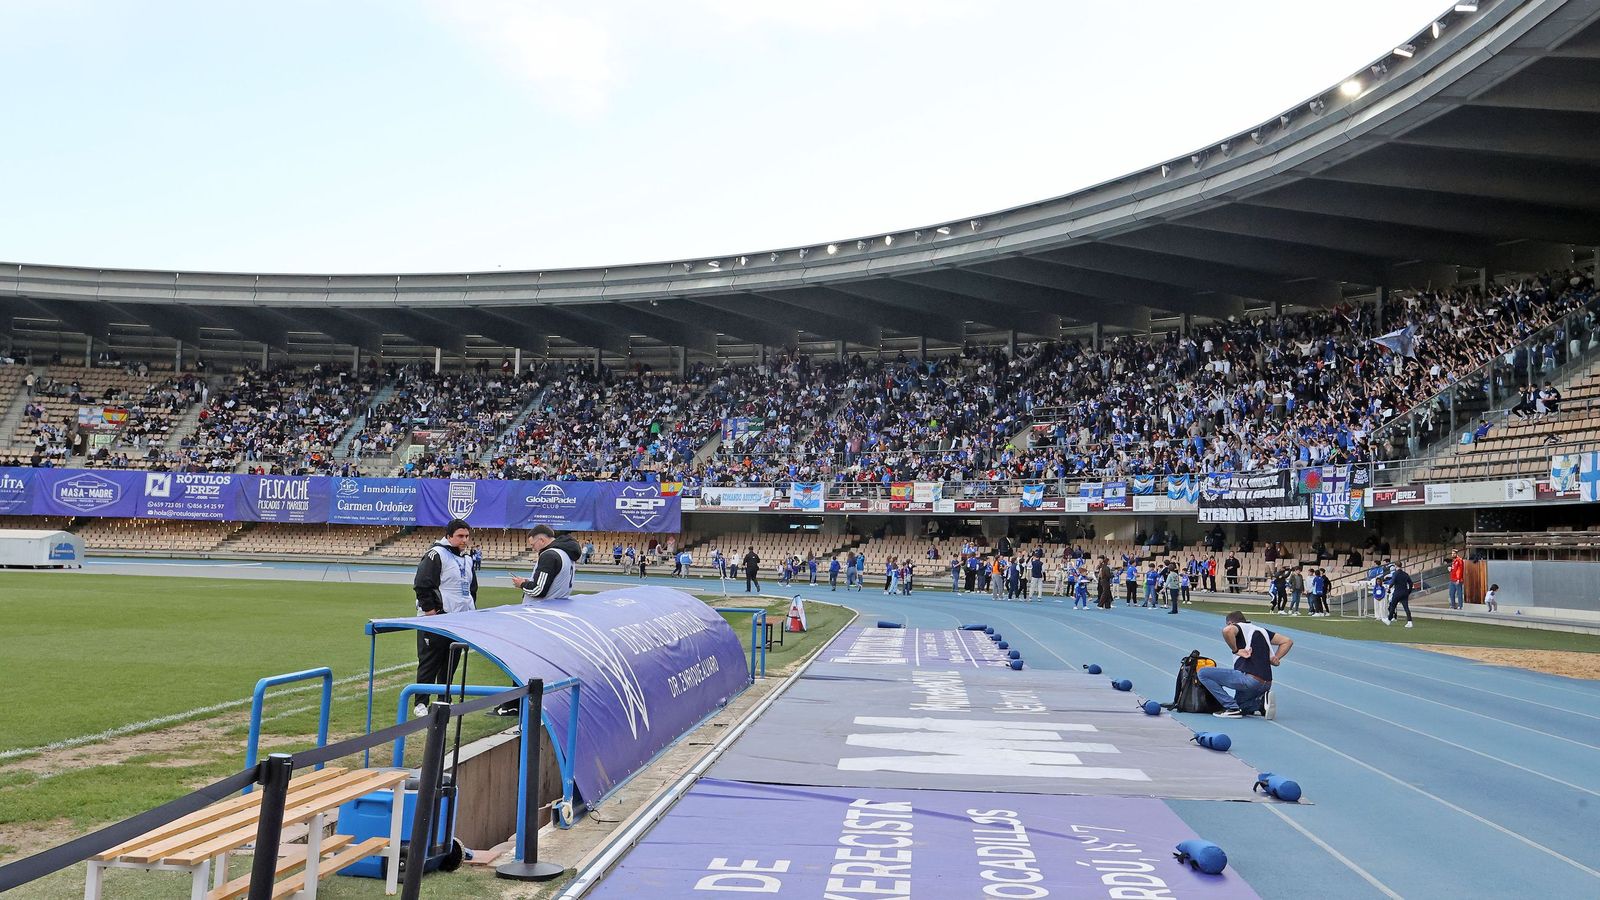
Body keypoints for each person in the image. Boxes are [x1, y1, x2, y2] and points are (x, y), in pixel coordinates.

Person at [411, 518, 479, 715]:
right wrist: (431, 612)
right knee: (429, 661)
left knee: (451, 662)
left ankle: (444, 699)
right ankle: (420, 703)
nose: (464, 539)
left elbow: (471, 589)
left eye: (466, 536)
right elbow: (422, 584)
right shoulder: (436, 554)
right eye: (459, 536)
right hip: (436, 619)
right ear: (449, 536)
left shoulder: (467, 558)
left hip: (459, 620)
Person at [1200, 611, 1292, 719]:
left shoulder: (1236, 627)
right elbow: (1287, 641)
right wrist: (1276, 658)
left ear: (1230, 622)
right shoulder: (1261, 630)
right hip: (1266, 683)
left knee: (1204, 673)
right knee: (1241, 707)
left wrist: (1235, 650)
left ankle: (1231, 708)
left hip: (1250, 679)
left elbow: (1227, 631)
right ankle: (1261, 704)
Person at [512, 525, 579, 604]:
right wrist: (527, 582)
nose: (533, 548)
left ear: (542, 540)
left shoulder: (549, 555)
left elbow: (537, 590)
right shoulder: (565, 553)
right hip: (558, 605)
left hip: (542, 609)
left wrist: (521, 584)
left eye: (533, 545)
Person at [1384, 563, 1415, 628]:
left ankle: (1389, 620)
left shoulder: (1395, 573)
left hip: (1397, 592)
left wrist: (1389, 588)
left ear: (1396, 566)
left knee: (1392, 606)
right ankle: (1409, 622)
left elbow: (1392, 582)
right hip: (1404, 592)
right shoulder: (1405, 574)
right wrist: (1408, 591)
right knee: (1406, 607)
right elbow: (1411, 583)